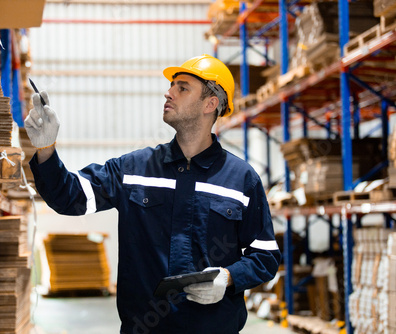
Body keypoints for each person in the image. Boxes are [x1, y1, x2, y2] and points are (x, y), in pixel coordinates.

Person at [25, 54, 281, 334]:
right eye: (172, 86)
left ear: (211, 104)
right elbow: (69, 197)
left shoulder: (241, 179)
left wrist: (229, 277)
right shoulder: (134, 169)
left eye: (182, 88)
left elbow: (265, 256)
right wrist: (46, 148)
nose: (168, 92)